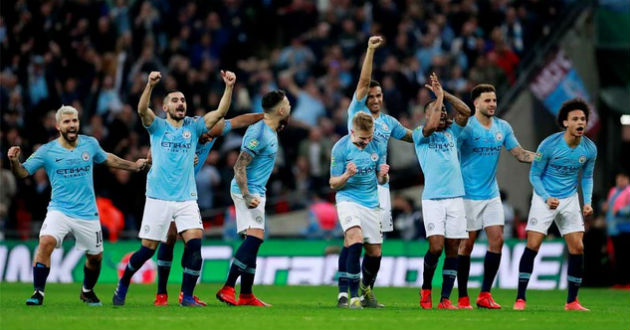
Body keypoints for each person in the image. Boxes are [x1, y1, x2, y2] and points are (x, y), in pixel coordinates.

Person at [113, 70, 236, 307]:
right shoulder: (157, 127)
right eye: (175, 100)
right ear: (165, 107)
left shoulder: (194, 127)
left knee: (195, 243)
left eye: (183, 100)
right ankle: (125, 280)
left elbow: (220, 113)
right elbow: (141, 110)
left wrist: (229, 87)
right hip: (158, 197)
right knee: (147, 250)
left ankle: (187, 296)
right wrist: (149, 84)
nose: (180, 104)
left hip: (186, 198)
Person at [7, 105, 147, 306]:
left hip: (87, 213)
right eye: (67, 121)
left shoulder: (90, 144)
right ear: (58, 126)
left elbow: (109, 158)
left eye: (75, 121)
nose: (72, 125)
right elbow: (22, 173)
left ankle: (87, 291)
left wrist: (133, 166)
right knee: (45, 242)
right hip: (59, 210)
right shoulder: (46, 151)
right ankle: (38, 292)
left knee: (95, 258)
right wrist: (14, 161)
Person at [152, 113, 263, 306]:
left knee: (192, 243)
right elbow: (152, 154)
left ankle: (185, 294)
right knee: (169, 237)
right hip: (167, 189)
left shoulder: (214, 128)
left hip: (187, 193)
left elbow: (239, 121)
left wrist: (263, 115)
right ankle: (161, 294)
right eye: (206, 133)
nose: (208, 137)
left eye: (211, 134)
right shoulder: (182, 132)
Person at [337, 35, 414, 308]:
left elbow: (413, 136)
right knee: (352, 238)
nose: (376, 99)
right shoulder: (357, 112)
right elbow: (362, 82)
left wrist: (437, 130)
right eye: (372, 96)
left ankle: (366, 290)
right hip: (353, 185)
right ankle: (344, 292)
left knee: (375, 250)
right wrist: (369, 50)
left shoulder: (389, 122)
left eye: (379, 95)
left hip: (379, 187)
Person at [455, 84, 535, 309]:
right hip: (468, 195)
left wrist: (543, 158)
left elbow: (519, 154)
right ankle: (462, 297)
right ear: (476, 103)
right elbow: (451, 151)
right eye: (487, 100)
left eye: (494, 100)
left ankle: (484, 294)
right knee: (466, 246)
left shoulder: (503, 127)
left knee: (497, 241)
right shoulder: (466, 127)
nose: (492, 104)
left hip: (491, 194)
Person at [514, 98, 597, 311]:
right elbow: (535, 174)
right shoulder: (549, 144)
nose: (580, 123)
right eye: (575, 119)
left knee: (578, 247)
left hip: (569, 199)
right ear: (565, 122)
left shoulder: (589, 149)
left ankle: (572, 302)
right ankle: (520, 299)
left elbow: (587, 177)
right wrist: (545, 197)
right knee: (533, 244)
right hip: (545, 197)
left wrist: (586, 202)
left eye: (583, 119)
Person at [215, 90, 291, 307]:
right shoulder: (258, 132)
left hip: (258, 191)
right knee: (256, 237)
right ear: (281, 109)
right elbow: (239, 165)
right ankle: (228, 287)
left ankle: (246, 295)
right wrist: (247, 195)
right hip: (247, 190)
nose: (289, 107)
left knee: (252, 243)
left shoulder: (271, 128)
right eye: (287, 104)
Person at [413, 73, 471, 310]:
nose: (443, 113)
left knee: (452, 251)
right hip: (433, 199)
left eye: (444, 111)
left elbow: (466, 112)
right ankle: (426, 288)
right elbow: (430, 126)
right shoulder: (420, 134)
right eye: (438, 110)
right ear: (427, 115)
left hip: (456, 197)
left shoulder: (452, 134)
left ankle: (445, 299)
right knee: (436, 247)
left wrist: (444, 94)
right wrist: (436, 100)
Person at [330, 112, 389, 309]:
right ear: (352, 131)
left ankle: (362, 292)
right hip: (348, 199)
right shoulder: (340, 148)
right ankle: (352, 296)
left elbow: (381, 179)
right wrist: (346, 175)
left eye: (369, 137)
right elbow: (333, 183)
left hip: (371, 203)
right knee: (354, 239)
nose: (367, 141)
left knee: (374, 253)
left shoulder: (377, 145)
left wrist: (383, 177)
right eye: (362, 138)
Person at [603, 172, 630, 288]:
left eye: (622, 179)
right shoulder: (613, 191)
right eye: (618, 179)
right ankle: (619, 282)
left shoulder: (628, 191)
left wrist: (619, 211)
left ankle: (627, 282)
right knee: (617, 256)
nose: (620, 181)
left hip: (626, 228)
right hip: (613, 229)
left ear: (627, 179)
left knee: (626, 256)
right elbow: (609, 207)